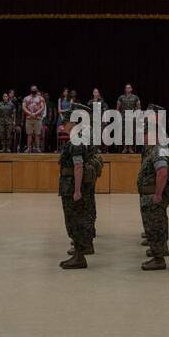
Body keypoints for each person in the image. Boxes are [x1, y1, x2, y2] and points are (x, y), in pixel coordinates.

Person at [58, 106, 99, 269]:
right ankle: (78, 254)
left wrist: (76, 190)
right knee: (75, 220)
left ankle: (79, 256)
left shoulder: (75, 140)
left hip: (72, 188)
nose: (63, 126)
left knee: (74, 220)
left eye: (65, 123)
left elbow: (78, 166)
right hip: (71, 186)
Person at [138, 125, 169, 270]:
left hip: (153, 196)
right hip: (150, 195)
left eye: (146, 135)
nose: (144, 138)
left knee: (155, 226)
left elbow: (162, 173)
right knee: (157, 224)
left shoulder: (157, 151)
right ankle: (159, 251)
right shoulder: (155, 149)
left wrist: (158, 195)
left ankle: (158, 259)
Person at [116, 85, 140, 153]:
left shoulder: (135, 97)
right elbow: (117, 108)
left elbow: (138, 108)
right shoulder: (121, 97)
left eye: (129, 87)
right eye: (126, 88)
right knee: (124, 133)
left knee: (131, 133)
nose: (128, 89)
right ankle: (125, 148)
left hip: (132, 117)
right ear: (125, 89)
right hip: (123, 117)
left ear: (131, 89)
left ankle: (130, 148)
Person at [22, 86, 46, 152]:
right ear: (30, 90)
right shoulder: (26, 98)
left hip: (37, 118)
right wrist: (30, 113)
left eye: (35, 90)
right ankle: (28, 148)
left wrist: (35, 113)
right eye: (32, 90)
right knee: (29, 134)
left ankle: (37, 148)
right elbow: (23, 107)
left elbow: (42, 107)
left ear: (37, 90)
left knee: (37, 134)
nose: (34, 90)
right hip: (29, 118)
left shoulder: (41, 98)